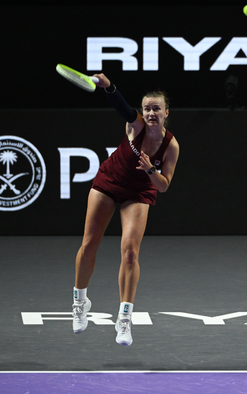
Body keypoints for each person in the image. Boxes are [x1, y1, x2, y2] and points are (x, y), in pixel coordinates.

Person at [71, 74, 179, 346]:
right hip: (109, 182)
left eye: (157, 108)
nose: (152, 112)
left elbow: (164, 186)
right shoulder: (135, 125)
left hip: (140, 191)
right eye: (147, 108)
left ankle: (124, 319)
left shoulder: (171, 146)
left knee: (130, 253)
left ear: (167, 112)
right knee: (89, 244)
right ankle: (80, 301)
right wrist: (109, 87)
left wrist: (150, 169)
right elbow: (122, 107)